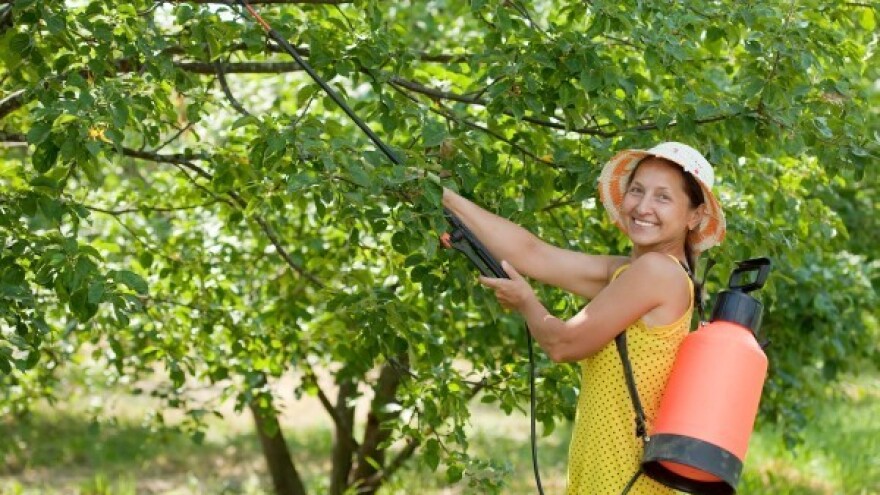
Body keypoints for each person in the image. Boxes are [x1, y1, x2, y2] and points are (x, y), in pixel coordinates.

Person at [441, 142, 726, 495]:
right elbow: (534, 254)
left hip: (620, 479)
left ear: (694, 216)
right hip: (610, 475)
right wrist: (445, 198)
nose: (642, 206)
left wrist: (526, 301)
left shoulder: (656, 272)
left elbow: (563, 343)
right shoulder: (635, 271)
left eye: (662, 198)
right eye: (637, 190)